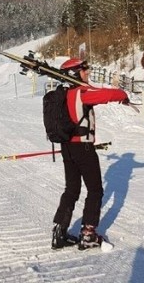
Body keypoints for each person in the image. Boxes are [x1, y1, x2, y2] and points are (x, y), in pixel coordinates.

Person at [51, 58, 129, 250]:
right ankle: (88, 234)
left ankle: (59, 232)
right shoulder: (81, 92)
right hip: (83, 148)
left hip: (67, 147)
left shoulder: (64, 93)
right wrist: (122, 94)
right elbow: (108, 94)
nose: (88, 71)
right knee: (95, 190)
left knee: (72, 189)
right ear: (75, 74)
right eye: (84, 69)